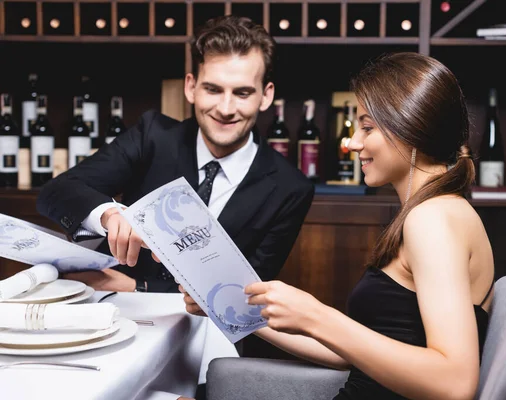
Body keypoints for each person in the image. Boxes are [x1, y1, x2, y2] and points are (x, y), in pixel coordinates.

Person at [182, 52, 495, 400]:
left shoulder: (433, 218)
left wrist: (316, 315)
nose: (354, 143)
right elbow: (356, 353)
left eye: (367, 127)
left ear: (409, 125)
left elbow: (455, 382)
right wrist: (238, 310)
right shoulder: (435, 211)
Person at [36, 15, 314, 294]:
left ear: (265, 96)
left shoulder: (291, 188)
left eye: (242, 93)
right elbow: (57, 191)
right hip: (123, 321)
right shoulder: (152, 136)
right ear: (191, 87)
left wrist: (138, 287)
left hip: (211, 333)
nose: (226, 108)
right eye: (213, 89)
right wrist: (108, 214)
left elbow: (247, 292)